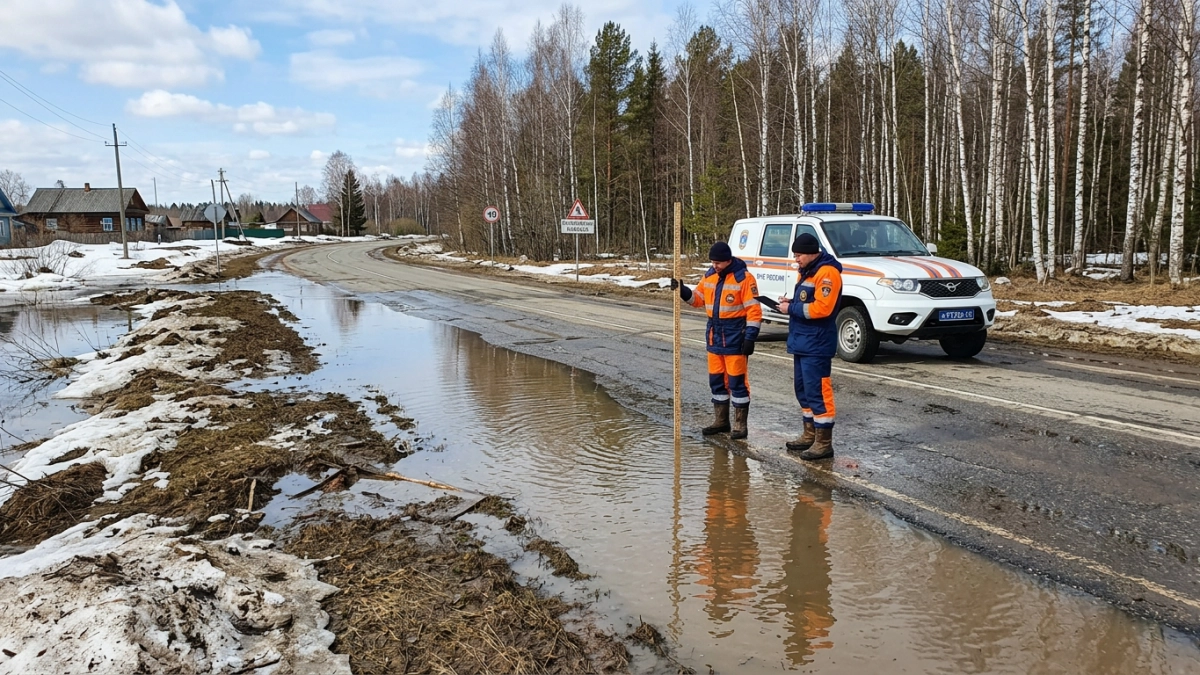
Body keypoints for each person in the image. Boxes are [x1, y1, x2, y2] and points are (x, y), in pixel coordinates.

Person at [671, 242, 763, 440]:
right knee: (717, 381)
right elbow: (698, 299)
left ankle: (740, 425)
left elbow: (754, 311)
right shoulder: (710, 275)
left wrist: (750, 337)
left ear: (728, 261)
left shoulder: (744, 279)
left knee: (737, 383)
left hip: (735, 336)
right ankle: (721, 421)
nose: (714, 266)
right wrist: (683, 291)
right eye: (712, 262)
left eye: (718, 263)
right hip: (714, 334)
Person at [777, 233, 843, 460]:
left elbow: (823, 308)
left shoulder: (827, 273)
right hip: (803, 341)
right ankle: (809, 435)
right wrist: (790, 303)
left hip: (817, 342)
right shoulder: (808, 271)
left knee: (818, 392)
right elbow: (806, 302)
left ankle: (824, 443)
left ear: (811, 252)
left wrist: (791, 310)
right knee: (802, 390)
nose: (796, 260)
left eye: (798, 255)